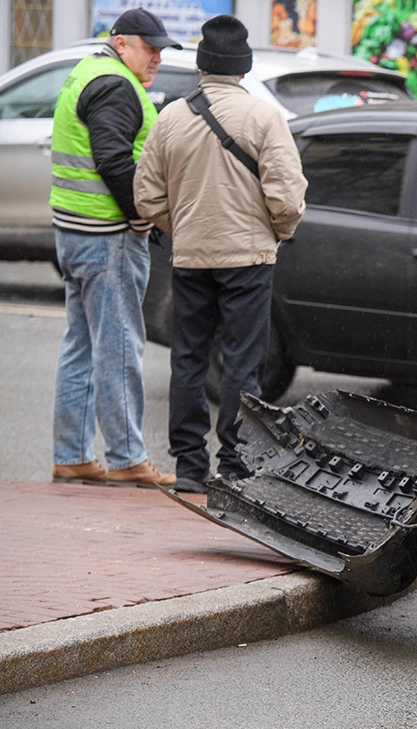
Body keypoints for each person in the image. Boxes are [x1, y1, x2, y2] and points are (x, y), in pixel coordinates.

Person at [135, 15, 307, 493]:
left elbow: (146, 197)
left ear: (202, 66)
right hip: (248, 261)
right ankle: (236, 464)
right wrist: (275, 232)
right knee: (241, 363)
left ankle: (189, 466)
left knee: (187, 360)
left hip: (190, 258)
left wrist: (184, 229)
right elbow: (287, 198)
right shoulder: (263, 117)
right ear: (243, 69)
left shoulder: (171, 117)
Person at [49, 8, 179, 487]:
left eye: (162, 49)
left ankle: (72, 455)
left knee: (80, 346)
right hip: (107, 238)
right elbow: (112, 160)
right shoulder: (116, 85)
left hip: (74, 232)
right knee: (119, 347)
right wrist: (140, 216)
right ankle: (126, 458)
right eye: (150, 48)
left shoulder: (87, 72)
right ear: (121, 42)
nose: (157, 58)